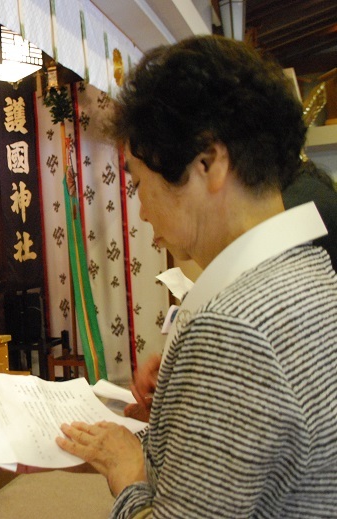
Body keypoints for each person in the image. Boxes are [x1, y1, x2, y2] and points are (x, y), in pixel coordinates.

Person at [55, 35, 337, 517]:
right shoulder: (312, 269)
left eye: (141, 184)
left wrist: (128, 469)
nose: (141, 212)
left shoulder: (233, 328)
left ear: (209, 162)